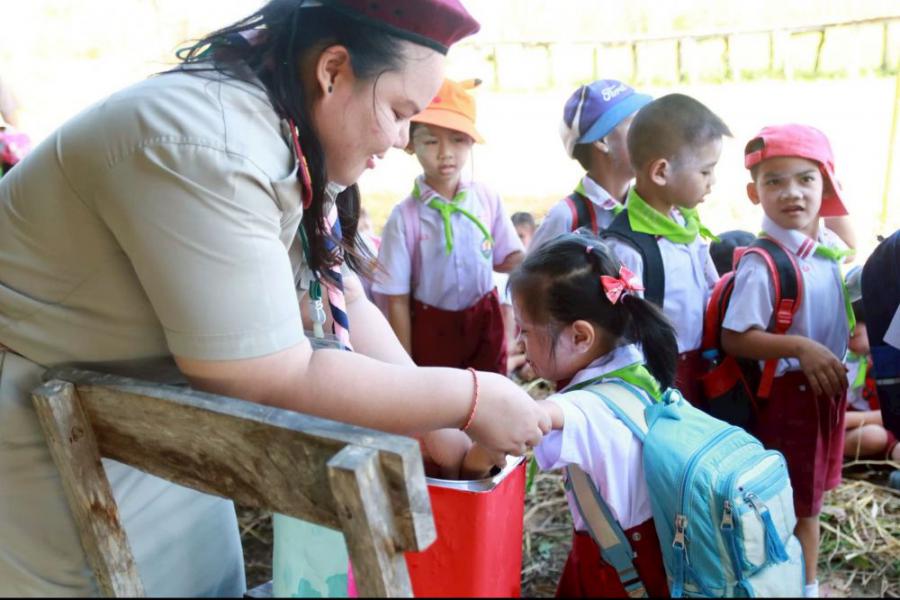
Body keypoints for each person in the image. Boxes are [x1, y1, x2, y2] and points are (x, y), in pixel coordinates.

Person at [0, 1, 550, 595]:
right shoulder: (209, 146)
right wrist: (469, 397)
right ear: (333, 71)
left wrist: (439, 432)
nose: (399, 140)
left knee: (209, 584)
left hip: (145, 418)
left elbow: (340, 296)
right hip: (47, 438)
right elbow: (270, 375)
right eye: (398, 112)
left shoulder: (281, 130)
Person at [493, 232, 674, 597]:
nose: (519, 343)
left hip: (619, 566)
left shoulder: (586, 407)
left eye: (526, 331)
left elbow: (528, 418)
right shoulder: (632, 366)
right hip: (625, 547)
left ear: (579, 337)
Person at [721, 124, 852, 598]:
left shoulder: (826, 250)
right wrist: (799, 347)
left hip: (823, 393)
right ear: (753, 193)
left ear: (827, 185)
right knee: (800, 508)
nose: (791, 192)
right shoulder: (765, 262)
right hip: (791, 398)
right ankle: (804, 588)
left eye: (806, 179)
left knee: (810, 496)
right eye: (774, 181)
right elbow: (736, 337)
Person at [373, 77, 524, 374]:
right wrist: (407, 368)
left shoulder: (486, 199)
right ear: (410, 144)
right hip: (433, 330)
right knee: (442, 397)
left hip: (485, 323)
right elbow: (397, 299)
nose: (445, 153)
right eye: (431, 141)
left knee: (489, 390)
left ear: (471, 141)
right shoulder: (405, 218)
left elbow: (509, 259)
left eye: (457, 139)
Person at [603, 93, 728, 405]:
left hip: (698, 364)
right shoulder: (627, 249)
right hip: (657, 377)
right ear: (661, 172)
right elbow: (621, 333)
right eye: (705, 171)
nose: (713, 181)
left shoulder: (685, 225)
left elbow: (712, 289)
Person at [529, 80, 652, 251]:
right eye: (635, 125)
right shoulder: (566, 218)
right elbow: (534, 269)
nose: (647, 135)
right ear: (602, 141)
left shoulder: (648, 208)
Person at [497, 211, 536, 376]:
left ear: (533, 236)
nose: (517, 243)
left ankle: (518, 361)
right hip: (517, 334)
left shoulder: (537, 271)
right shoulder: (506, 272)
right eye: (514, 237)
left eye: (521, 236)